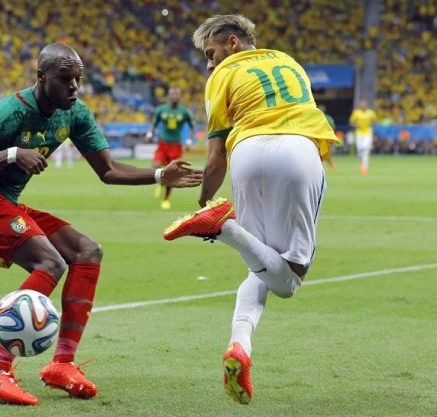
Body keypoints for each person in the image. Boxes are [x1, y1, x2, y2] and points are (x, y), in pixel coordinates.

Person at [0, 43, 202, 406]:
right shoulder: (8, 112)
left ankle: (61, 364)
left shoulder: (76, 114)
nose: (74, 87)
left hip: (6, 203)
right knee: (50, 262)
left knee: (87, 251)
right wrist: (13, 154)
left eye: (78, 79)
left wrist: (160, 174)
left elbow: (109, 171)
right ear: (41, 77)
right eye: (65, 79)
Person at [162, 15, 340, 405]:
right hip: (296, 150)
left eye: (211, 54)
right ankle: (230, 231)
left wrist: (206, 201)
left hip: (246, 152)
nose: (210, 63)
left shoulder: (220, 77)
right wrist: (216, 221)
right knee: (288, 281)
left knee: (259, 267)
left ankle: (239, 345)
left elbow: (214, 159)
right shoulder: (290, 62)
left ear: (232, 42)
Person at [145, 87, 196, 209]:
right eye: (172, 94)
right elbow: (154, 124)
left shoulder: (184, 112)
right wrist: (149, 134)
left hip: (176, 145)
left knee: (171, 172)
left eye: (177, 94)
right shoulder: (161, 110)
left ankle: (166, 198)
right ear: (169, 96)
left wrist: (189, 141)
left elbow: (192, 127)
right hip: (163, 143)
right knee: (155, 165)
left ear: (180, 97)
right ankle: (161, 182)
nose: (175, 96)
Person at [349, 99, 377, 175]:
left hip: (368, 132)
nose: (363, 106)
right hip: (359, 133)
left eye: (364, 104)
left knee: (365, 149)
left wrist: (370, 124)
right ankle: (362, 164)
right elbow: (351, 122)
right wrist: (356, 125)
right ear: (360, 105)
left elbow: (374, 120)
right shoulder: (356, 113)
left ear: (366, 105)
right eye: (361, 104)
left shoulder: (371, 112)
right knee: (360, 150)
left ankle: (365, 168)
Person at [318, 104, 337, 170]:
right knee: (318, 152)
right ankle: (319, 167)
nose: (321, 110)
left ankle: (332, 165)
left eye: (322, 109)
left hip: (326, 137)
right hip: (318, 137)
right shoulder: (315, 117)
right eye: (320, 109)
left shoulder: (328, 118)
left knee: (326, 153)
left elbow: (333, 127)